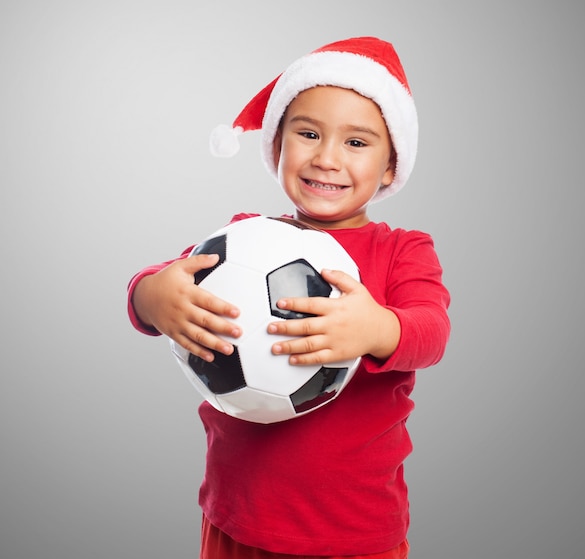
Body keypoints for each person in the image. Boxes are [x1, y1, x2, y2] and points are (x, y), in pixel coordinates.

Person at [127, 37, 451, 559]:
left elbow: (431, 333)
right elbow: (169, 277)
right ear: (277, 147)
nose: (326, 159)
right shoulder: (243, 239)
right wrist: (149, 295)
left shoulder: (402, 251)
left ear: (392, 166)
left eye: (356, 143)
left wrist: (376, 329)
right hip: (237, 516)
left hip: (355, 528)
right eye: (307, 134)